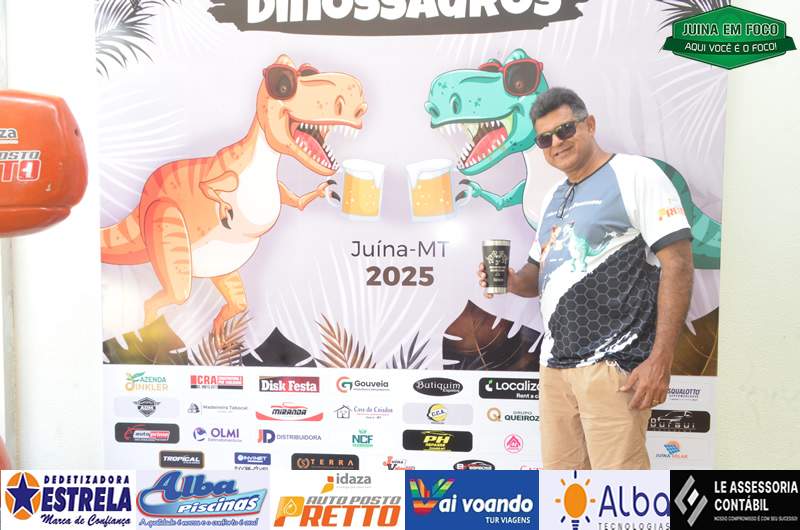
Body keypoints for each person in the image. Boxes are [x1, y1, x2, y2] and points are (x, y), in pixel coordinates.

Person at [478, 87, 694, 470]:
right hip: (555, 371)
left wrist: (660, 358)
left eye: (565, 130)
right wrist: (510, 281)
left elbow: (678, 264)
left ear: (589, 125)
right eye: (545, 139)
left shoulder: (636, 174)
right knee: (561, 494)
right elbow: (535, 276)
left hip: (613, 366)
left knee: (620, 496)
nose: (556, 143)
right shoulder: (552, 197)